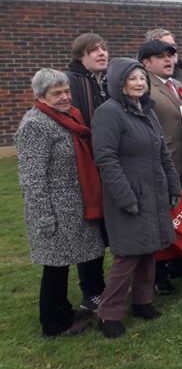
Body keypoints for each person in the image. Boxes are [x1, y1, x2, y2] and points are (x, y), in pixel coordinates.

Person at [91, 58, 182, 339]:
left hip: (153, 192)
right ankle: (109, 314)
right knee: (128, 256)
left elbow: (163, 154)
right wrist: (126, 197)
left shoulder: (147, 110)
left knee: (148, 250)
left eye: (142, 78)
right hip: (129, 195)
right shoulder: (109, 113)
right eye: (133, 78)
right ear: (119, 82)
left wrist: (173, 186)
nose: (140, 83)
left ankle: (143, 302)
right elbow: (106, 159)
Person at [16, 69, 106, 337]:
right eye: (57, 93)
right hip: (55, 209)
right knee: (55, 267)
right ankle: (53, 324)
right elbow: (32, 177)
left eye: (66, 91)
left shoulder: (70, 117)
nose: (65, 97)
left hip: (76, 206)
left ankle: (64, 312)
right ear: (40, 96)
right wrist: (44, 216)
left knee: (66, 262)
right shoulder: (35, 124)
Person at [138, 38, 182, 295]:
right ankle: (157, 276)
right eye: (162, 57)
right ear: (146, 63)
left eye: (171, 55)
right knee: (162, 220)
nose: (169, 60)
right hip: (163, 165)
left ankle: (180, 262)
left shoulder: (180, 86)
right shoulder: (144, 89)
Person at [64, 33, 109, 313]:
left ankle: (106, 285)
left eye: (104, 49)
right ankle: (91, 291)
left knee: (107, 226)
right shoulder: (72, 81)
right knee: (90, 230)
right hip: (85, 165)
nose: (102, 53)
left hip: (106, 163)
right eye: (95, 50)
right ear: (81, 55)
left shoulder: (103, 81)